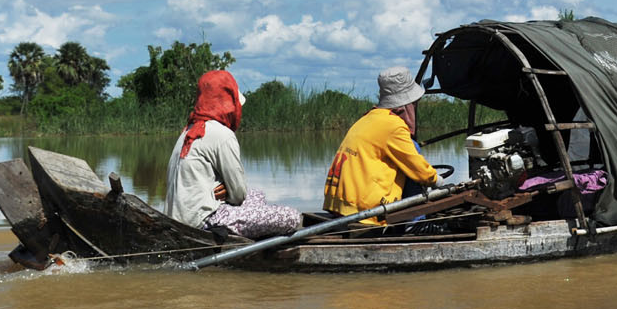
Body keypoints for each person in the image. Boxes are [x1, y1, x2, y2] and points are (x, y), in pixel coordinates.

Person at [164, 70, 300, 239]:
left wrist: (225, 190)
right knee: (292, 217)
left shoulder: (188, 129)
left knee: (257, 195)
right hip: (203, 221)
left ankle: (246, 224)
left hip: (181, 216)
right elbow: (238, 195)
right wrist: (229, 192)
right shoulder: (222, 134)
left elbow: (237, 193)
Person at [322, 66, 439, 225]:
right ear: (404, 106)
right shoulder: (394, 126)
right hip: (364, 209)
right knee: (414, 151)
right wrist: (438, 181)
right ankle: (415, 224)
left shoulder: (368, 118)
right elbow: (420, 171)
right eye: (413, 104)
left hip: (338, 204)